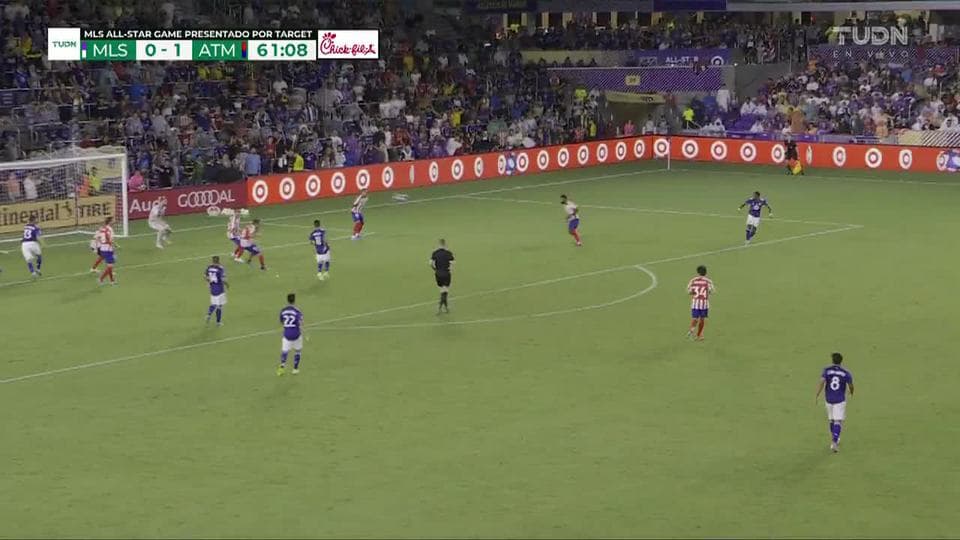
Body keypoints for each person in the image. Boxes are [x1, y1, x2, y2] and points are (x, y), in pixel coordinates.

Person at [815, 352, 854, 453]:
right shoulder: (845, 372)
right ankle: (834, 442)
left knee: (831, 420)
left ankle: (835, 438)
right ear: (841, 361)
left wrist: (817, 394)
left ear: (832, 361)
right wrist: (851, 392)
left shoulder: (827, 370)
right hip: (839, 399)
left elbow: (822, 381)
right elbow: (850, 385)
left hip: (829, 398)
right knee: (838, 421)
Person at [278, 293, 304, 376]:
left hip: (287, 334)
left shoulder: (283, 310)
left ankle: (282, 367)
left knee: (285, 351)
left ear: (287, 300)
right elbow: (301, 322)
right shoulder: (297, 311)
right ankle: (295, 369)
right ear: (294, 300)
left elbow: (281, 321)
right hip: (296, 334)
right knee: (298, 350)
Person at [686, 265, 715, 341]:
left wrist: (694, 292)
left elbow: (689, 292)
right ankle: (699, 335)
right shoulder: (708, 281)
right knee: (702, 319)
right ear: (706, 272)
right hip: (704, 304)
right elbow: (712, 291)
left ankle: (691, 331)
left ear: (698, 272)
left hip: (695, 303)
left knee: (695, 318)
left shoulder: (693, 280)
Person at [429, 239, 455, 314]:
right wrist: (450, 270)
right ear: (445, 244)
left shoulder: (435, 253)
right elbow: (452, 263)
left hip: (438, 274)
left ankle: (445, 308)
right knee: (445, 291)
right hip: (446, 273)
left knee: (442, 290)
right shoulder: (448, 253)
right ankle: (440, 308)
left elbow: (430, 263)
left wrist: (435, 269)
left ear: (439, 244)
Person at [204, 256, 228, 326]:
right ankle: (218, 322)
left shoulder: (209, 267)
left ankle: (209, 314)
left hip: (212, 288)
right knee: (219, 306)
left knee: (213, 303)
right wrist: (227, 284)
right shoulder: (220, 268)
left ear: (212, 260)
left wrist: (208, 282)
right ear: (218, 261)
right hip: (220, 289)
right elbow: (223, 279)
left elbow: (205, 276)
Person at [94, 216, 117, 285]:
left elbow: (97, 238)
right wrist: (113, 247)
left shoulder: (102, 229)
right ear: (110, 222)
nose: (114, 221)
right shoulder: (109, 230)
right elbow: (109, 240)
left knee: (110, 266)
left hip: (103, 249)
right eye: (113, 220)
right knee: (110, 266)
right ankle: (102, 279)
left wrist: (97, 247)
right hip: (108, 250)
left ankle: (111, 281)